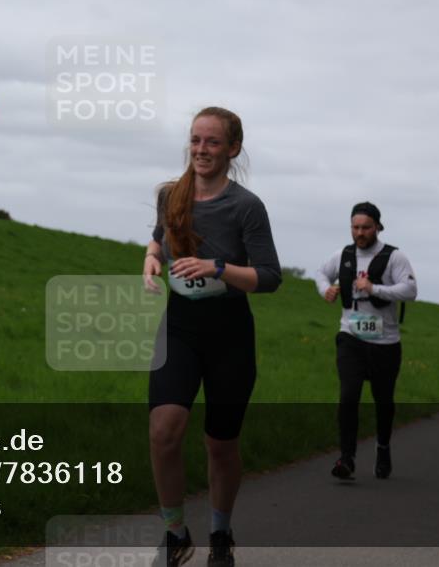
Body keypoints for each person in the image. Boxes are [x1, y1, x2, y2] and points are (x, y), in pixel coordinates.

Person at [144, 106, 282, 567]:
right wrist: (152, 256)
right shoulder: (171, 194)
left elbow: (270, 277)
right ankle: (175, 532)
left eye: (212, 142)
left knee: (220, 444)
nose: (201, 150)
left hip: (229, 333)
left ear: (233, 149)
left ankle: (220, 534)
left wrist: (217, 267)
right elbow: (160, 236)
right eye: (195, 140)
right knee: (164, 430)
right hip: (180, 326)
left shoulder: (246, 206)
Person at [315, 202, 417, 481]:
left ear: (377, 227)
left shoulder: (395, 257)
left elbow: (410, 290)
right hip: (351, 336)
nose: (359, 233)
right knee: (348, 396)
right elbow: (321, 273)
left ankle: (383, 448)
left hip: (385, 342)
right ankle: (346, 458)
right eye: (355, 227)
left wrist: (374, 288)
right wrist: (326, 289)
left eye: (365, 227)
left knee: (384, 402)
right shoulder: (343, 255)